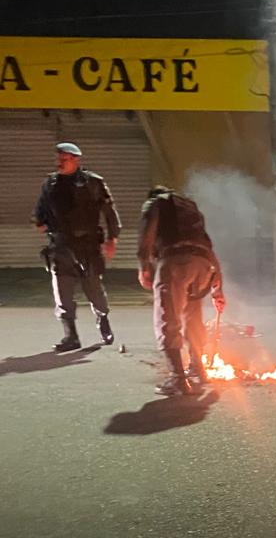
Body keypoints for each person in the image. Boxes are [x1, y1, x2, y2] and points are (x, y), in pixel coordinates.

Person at [32, 141, 121, 352]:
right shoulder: (50, 185)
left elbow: (109, 212)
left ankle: (103, 320)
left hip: (87, 247)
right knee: (62, 294)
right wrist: (41, 223)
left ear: (76, 160)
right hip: (61, 247)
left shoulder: (93, 182)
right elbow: (39, 211)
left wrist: (112, 239)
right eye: (58, 159)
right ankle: (71, 336)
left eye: (64, 159)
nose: (59, 163)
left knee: (94, 290)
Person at [137, 185, 225, 396]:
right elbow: (207, 245)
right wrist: (217, 289)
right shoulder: (190, 208)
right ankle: (198, 369)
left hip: (176, 263)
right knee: (193, 317)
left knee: (167, 318)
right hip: (203, 265)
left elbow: (146, 237)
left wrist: (144, 266)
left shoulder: (155, 204)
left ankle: (178, 379)